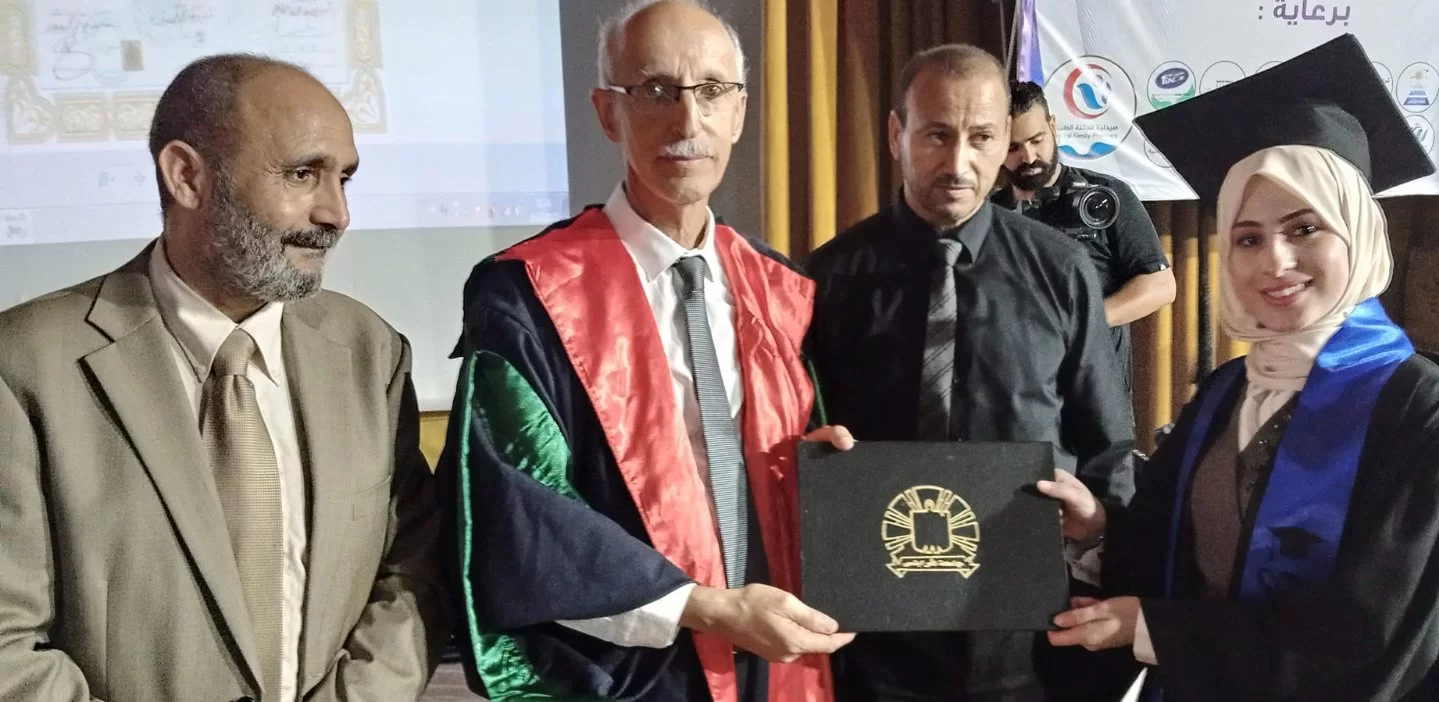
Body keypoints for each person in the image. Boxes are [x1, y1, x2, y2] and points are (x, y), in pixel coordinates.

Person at [1041, 35, 1439, 701]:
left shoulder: (1421, 413)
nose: (1275, 262)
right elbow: (1176, 552)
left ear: (1358, 231)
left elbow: (1377, 636)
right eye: (1248, 237)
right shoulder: (1227, 393)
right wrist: (1099, 531)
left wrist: (1162, 632)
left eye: (1305, 228)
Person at [437, 2, 854, 700]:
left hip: (774, 650)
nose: (688, 121)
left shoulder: (781, 288)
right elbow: (521, 505)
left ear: (739, 113)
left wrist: (820, 468)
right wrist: (706, 608)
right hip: (636, 666)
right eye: (656, 91)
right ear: (608, 113)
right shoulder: (529, 293)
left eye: (712, 91)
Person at [0, 55, 448, 701]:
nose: (337, 213)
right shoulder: (24, 368)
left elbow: (412, 570)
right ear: (187, 176)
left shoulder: (370, 352)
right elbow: (9, 645)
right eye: (302, 174)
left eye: (344, 178)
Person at [807, 44, 1138, 701]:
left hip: (1027, 634)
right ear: (897, 134)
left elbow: (1108, 443)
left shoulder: (1061, 269)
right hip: (874, 640)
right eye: (937, 135)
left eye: (982, 137)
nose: (959, 164)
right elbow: (797, 431)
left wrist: (1100, 520)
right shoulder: (829, 276)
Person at [993, 80, 1175, 390]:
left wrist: (1083, 322)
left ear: (1053, 127)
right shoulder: (986, 214)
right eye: (1013, 147)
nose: (1029, 156)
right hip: (1017, 395)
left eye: (1037, 140)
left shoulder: (1105, 196)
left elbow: (1161, 285)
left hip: (1096, 398)